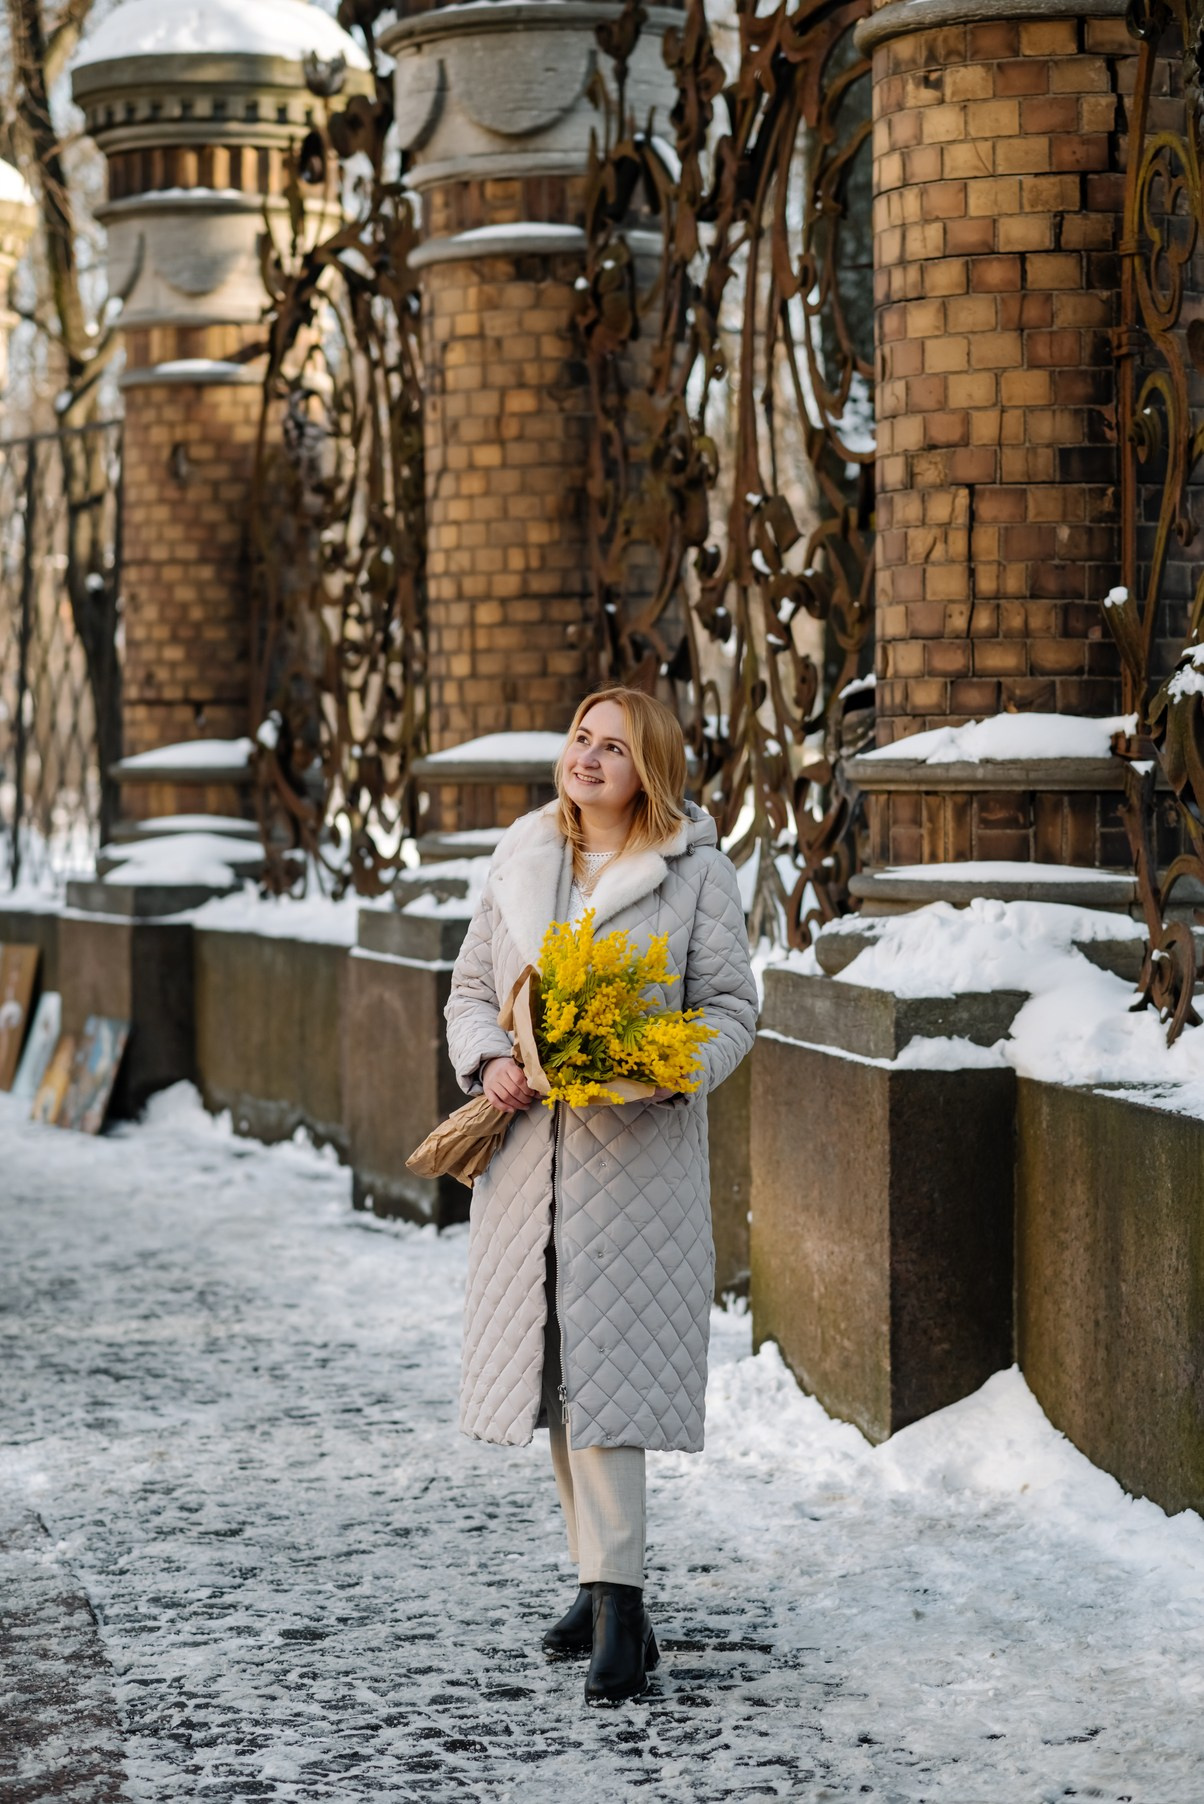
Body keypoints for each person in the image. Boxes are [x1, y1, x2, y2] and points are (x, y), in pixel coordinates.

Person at [443, 686, 758, 1705]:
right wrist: (490, 1058)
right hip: (530, 1159)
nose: (587, 757)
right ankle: (597, 1577)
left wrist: (680, 1064)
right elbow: (468, 991)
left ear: (648, 769)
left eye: (613, 747)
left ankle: (623, 1607)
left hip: (635, 1169)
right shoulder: (523, 856)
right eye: (581, 738)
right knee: (559, 1377)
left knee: (609, 1387)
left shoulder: (692, 876)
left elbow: (731, 1006)